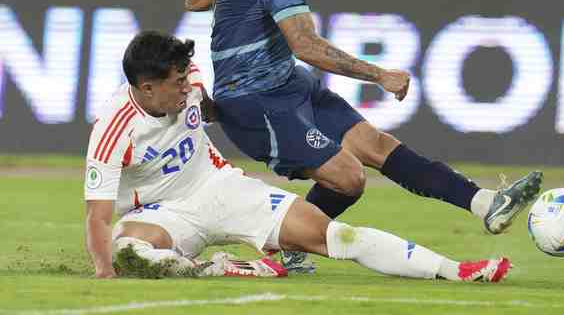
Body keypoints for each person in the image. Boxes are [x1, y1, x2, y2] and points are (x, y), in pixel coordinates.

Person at [184, 0, 542, 270]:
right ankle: (286, 244)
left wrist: (242, 12)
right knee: (349, 178)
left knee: (376, 144)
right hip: (258, 101)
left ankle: (488, 203)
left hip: (289, 83)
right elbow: (305, 44)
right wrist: (380, 75)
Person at [84, 30, 512, 283]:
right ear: (146, 89)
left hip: (220, 188)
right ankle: (210, 268)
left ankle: (455, 270)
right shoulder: (113, 129)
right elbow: (97, 217)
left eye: (185, 78)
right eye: (176, 83)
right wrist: (105, 274)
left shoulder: (191, 81)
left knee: (336, 236)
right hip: (161, 214)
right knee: (127, 250)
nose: (186, 87)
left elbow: (212, 109)